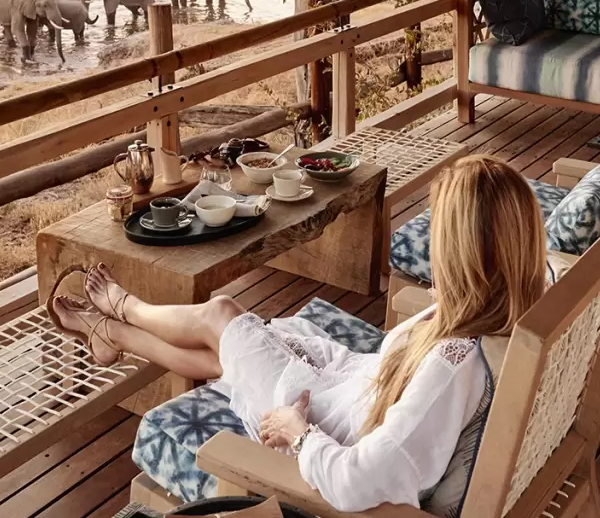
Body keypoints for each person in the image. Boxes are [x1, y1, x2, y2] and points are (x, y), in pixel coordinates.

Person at [49, 154, 548, 513]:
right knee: (234, 352)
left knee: (222, 315)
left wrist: (297, 432)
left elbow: (360, 481)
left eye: (441, 233)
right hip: (344, 389)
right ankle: (113, 333)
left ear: (463, 251)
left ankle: (123, 308)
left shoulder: (452, 365)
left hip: (318, 427)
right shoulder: (504, 307)